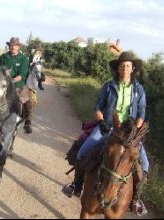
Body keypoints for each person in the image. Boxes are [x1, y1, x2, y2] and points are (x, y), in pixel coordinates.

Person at [62, 51, 149, 215]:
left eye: (128, 66)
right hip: (108, 127)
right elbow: (98, 107)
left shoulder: (139, 90)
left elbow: (142, 113)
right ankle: (76, 186)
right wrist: (101, 121)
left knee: (145, 165)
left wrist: (136, 131)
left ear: (133, 68)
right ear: (118, 69)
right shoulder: (109, 86)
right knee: (83, 152)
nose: (125, 68)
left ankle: (136, 200)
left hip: (129, 133)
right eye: (122, 66)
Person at [0, 37, 35, 134]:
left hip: (18, 85)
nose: (13, 47)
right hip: (2, 84)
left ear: (19, 47)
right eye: (11, 45)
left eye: (15, 45)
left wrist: (11, 81)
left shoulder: (24, 59)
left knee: (29, 101)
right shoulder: (3, 57)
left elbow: (22, 75)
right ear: (9, 46)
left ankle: (28, 122)